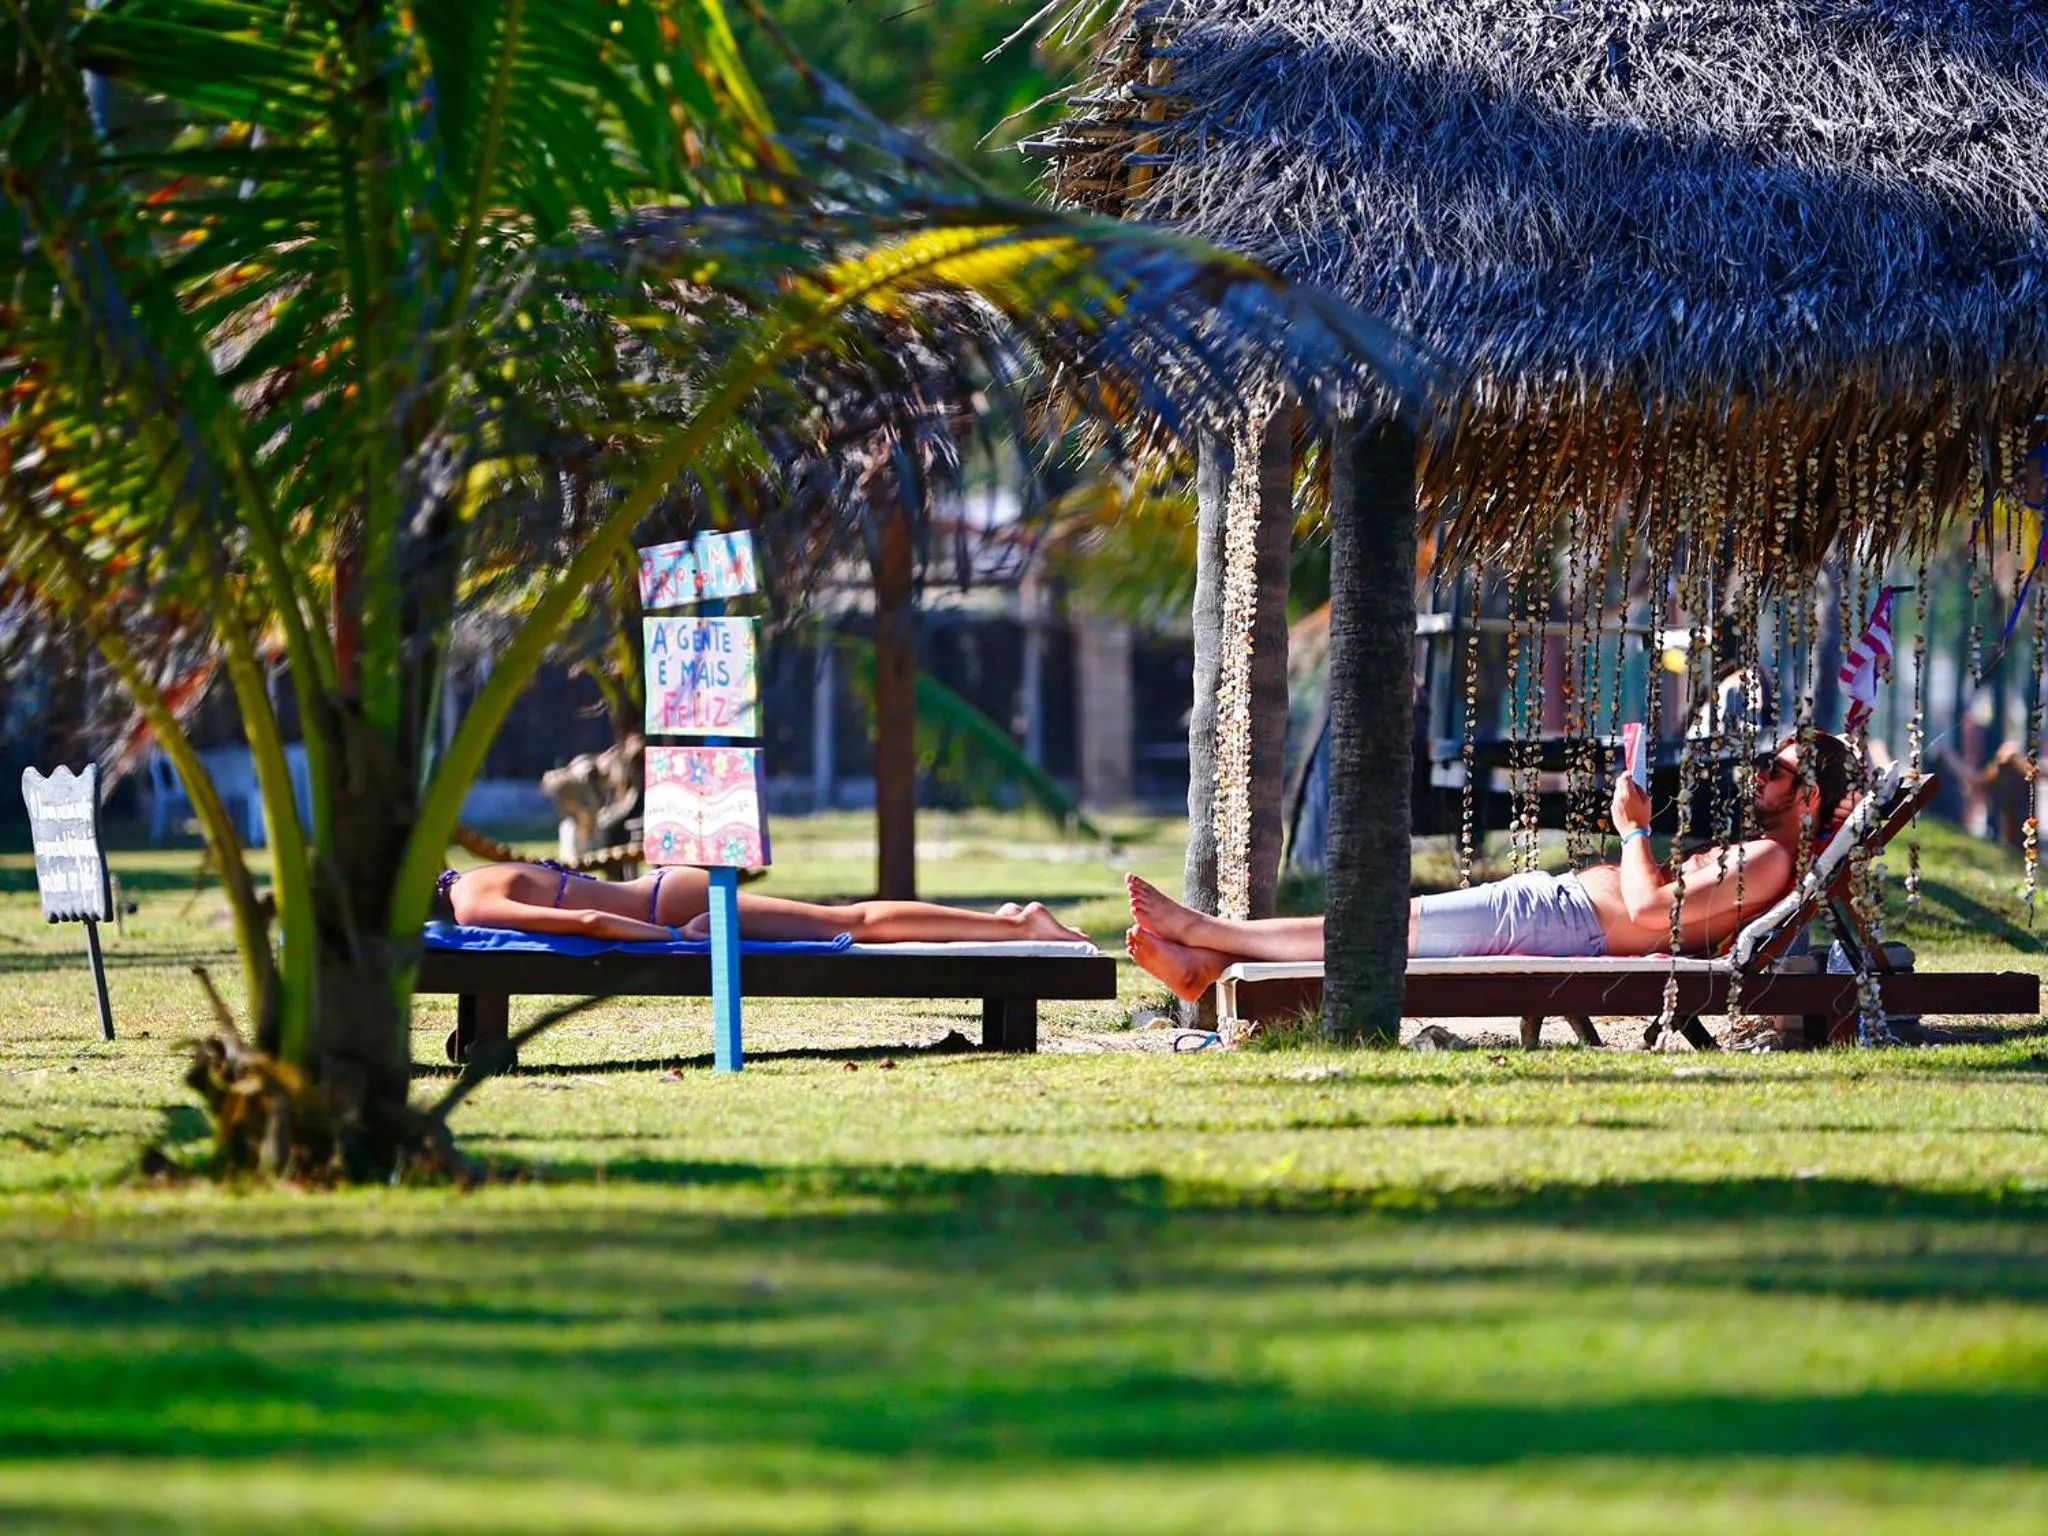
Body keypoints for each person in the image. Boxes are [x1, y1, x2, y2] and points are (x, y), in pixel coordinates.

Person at [1125, 732, 1854, 1002]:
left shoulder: (1769, 859)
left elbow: (1648, 914)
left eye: (1776, 769)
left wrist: (1633, 829)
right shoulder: (1768, 856)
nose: (1759, 774)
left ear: (1810, 796)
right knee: (1391, 928)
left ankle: (1206, 933)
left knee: (1386, 927)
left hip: (1562, 923)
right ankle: (1210, 965)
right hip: (1556, 910)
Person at [439, 860, 1090, 945]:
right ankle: (1003, 921)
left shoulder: (472, 905)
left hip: (672, 911)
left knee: (854, 923)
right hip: (662, 888)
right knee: (852, 918)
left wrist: (672, 940)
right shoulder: (480, 872)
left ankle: (1018, 925)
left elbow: (587, 921)